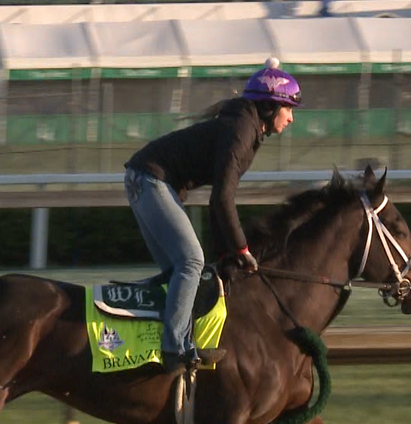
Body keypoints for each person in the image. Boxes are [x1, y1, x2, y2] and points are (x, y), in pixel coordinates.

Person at [123, 57, 300, 373]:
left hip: (146, 178)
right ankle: (175, 350)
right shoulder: (241, 130)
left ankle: (164, 342)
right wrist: (241, 250)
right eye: (289, 109)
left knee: (180, 273)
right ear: (271, 106)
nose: (291, 118)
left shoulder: (245, 126)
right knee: (191, 263)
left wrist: (226, 255)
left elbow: (218, 201)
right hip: (150, 179)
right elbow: (222, 199)